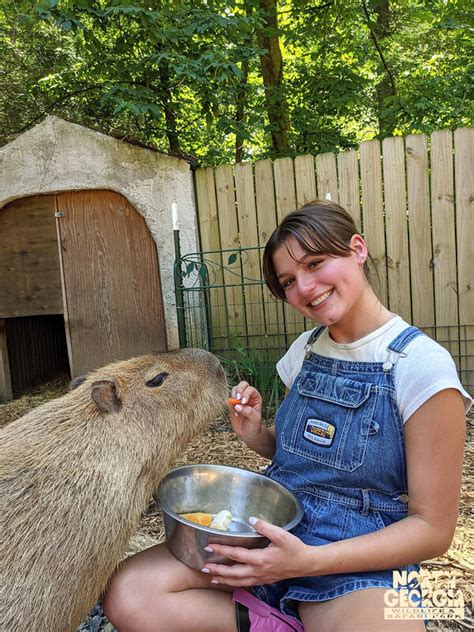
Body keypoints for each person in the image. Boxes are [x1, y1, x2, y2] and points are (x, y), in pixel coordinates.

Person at [103, 200, 471, 632]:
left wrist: (307, 561)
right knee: (128, 595)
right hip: (268, 533)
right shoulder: (305, 351)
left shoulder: (422, 366)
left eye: (316, 263)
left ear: (357, 249)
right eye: (289, 281)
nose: (306, 288)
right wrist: (258, 435)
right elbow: (308, 456)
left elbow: (432, 529)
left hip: (357, 562)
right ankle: (277, 619)